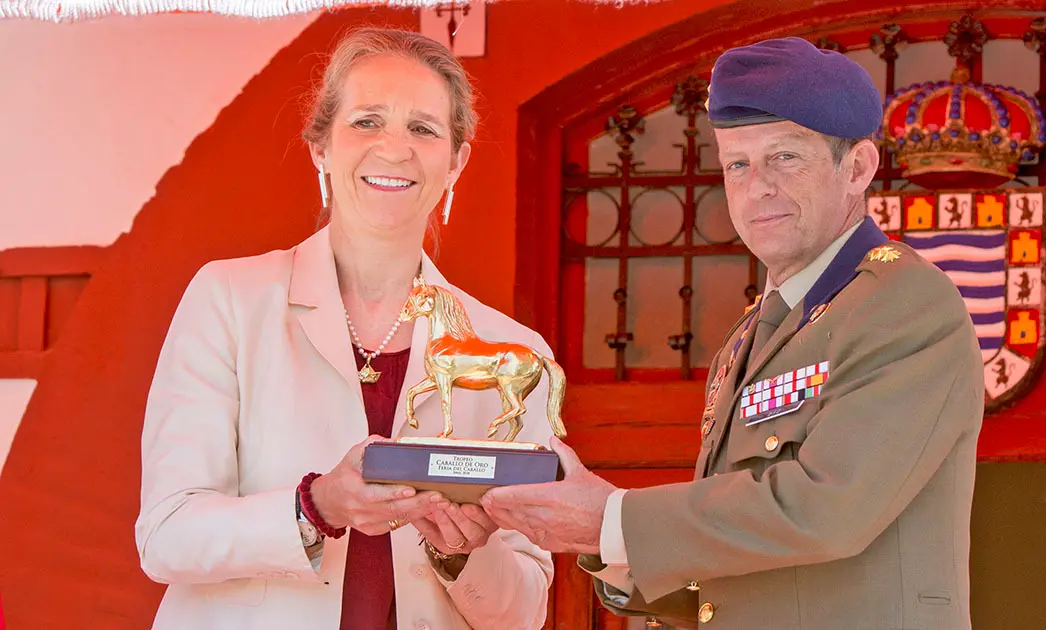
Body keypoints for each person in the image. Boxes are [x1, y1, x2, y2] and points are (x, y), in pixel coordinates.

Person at [481, 37, 984, 629]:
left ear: (858, 168)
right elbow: (730, 578)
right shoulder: (749, 340)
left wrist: (610, 519)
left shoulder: (902, 302)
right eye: (737, 164)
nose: (757, 187)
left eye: (785, 158)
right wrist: (597, 545)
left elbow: (828, 509)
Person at [135, 27, 553, 630]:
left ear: (456, 160)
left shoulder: (513, 353)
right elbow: (166, 535)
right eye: (366, 122)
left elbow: (525, 612)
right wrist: (316, 506)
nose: (394, 148)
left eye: (424, 129)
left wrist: (463, 554)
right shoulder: (228, 300)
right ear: (320, 146)